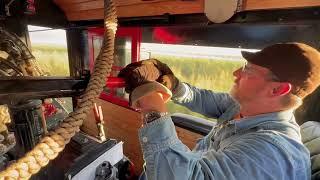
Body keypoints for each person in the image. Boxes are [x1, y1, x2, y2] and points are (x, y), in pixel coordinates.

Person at [118, 42, 320, 180]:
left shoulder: (270, 155)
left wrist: (153, 108)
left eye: (248, 70)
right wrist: (173, 84)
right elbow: (203, 99)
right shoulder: (244, 106)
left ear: (277, 89)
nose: (236, 73)